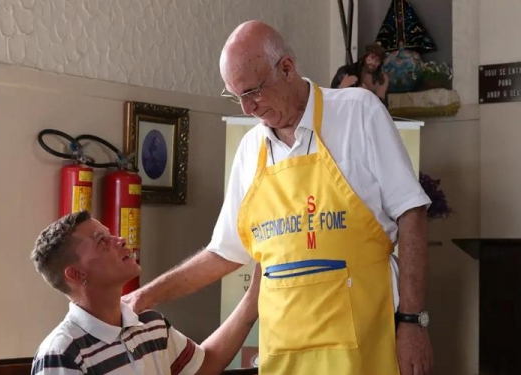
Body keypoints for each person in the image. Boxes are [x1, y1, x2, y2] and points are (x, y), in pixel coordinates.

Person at [124, 20, 433, 375]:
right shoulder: (249, 149)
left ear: (286, 68)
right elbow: (223, 253)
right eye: (235, 95)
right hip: (283, 357)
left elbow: (412, 213)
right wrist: (145, 297)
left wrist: (413, 321)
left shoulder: (357, 113)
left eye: (253, 91)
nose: (247, 109)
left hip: (365, 350)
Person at [30, 210, 260, 375]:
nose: (120, 240)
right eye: (102, 241)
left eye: (111, 234)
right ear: (76, 274)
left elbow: (204, 365)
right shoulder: (62, 353)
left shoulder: (150, 325)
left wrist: (254, 298)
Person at [359, 43, 390, 107]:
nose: (373, 63)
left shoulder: (382, 78)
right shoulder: (354, 71)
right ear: (365, 56)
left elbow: (380, 104)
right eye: (372, 57)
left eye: (377, 60)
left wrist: (367, 94)